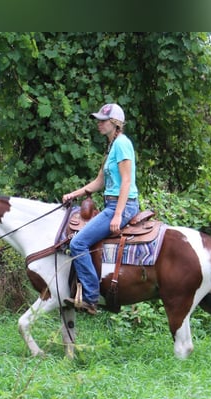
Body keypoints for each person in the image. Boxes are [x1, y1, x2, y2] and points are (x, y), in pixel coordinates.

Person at [61, 103, 140, 315]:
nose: (99, 124)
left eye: (103, 121)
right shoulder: (112, 146)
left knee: (77, 244)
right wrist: (73, 194)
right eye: (99, 120)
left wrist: (117, 215)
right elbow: (99, 182)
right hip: (113, 203)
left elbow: (126, 181)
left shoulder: (122, 144)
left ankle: (90, 297)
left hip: (122, 205)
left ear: (115, 124)